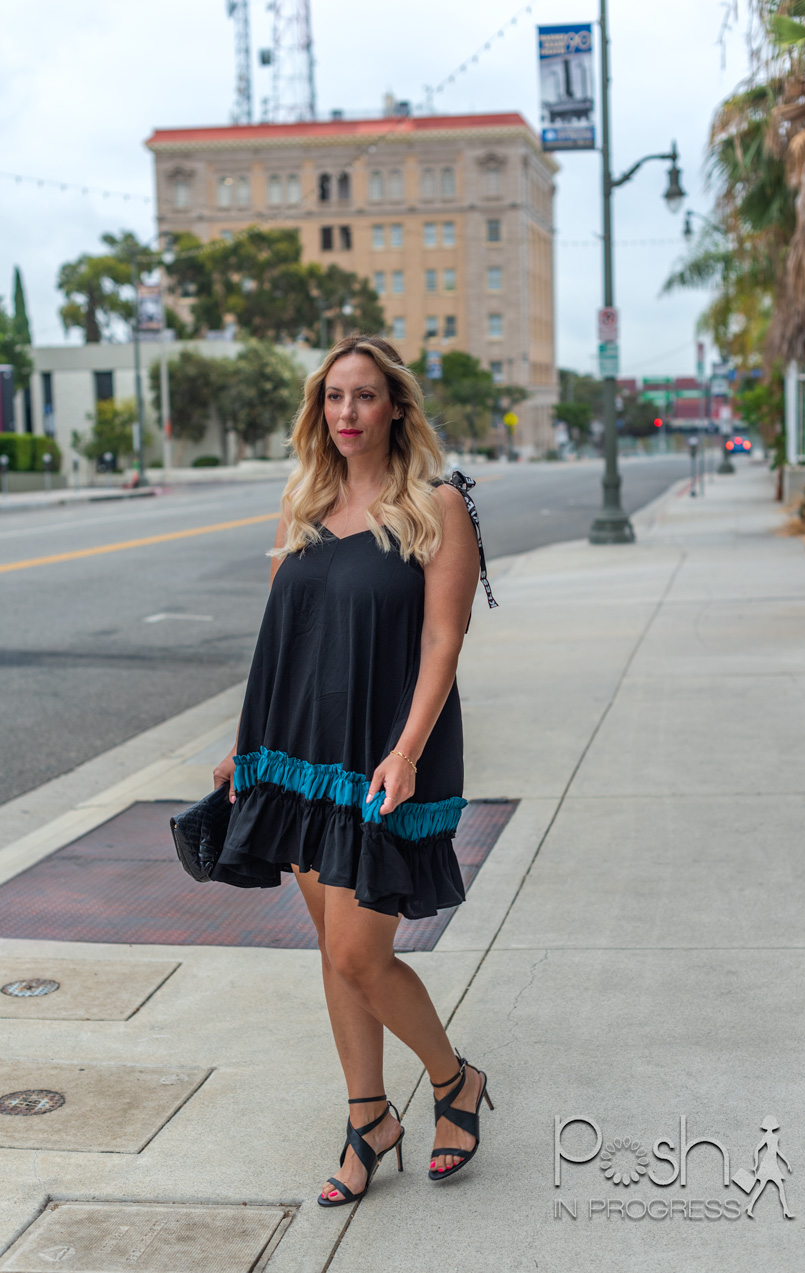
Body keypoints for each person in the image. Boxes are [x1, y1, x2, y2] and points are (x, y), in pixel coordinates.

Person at [210, 334, 498, 1207]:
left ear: (396, 406)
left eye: (364, 396)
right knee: (335, 958)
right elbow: (279, 638)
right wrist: (243, 738)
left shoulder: (438, 503)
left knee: (358, 951)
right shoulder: (304, 498)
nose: (346, 413)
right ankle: (368, 1116)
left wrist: (407, 749)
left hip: (382, 752)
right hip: (297, 756)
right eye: (334, 397)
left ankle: (456, 1083)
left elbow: (444, 640)